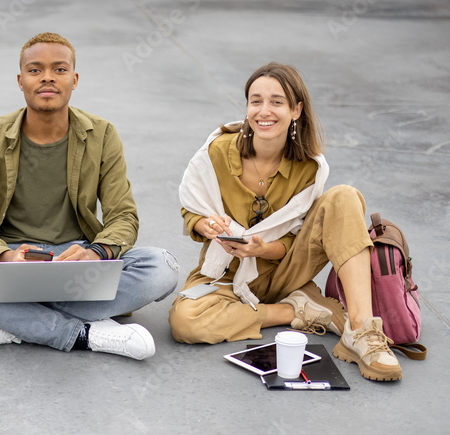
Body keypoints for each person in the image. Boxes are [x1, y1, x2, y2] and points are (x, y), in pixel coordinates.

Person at [0, 33, 178, 359]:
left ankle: (8, 322)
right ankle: (85, 333)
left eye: (59, 69)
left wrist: (97, 253)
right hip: (10, 262)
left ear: (74, 79)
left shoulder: (102, 134)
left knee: (162, 266)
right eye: (35, 70)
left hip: (77, 260)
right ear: (20, 80)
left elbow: (123, 216)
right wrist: (3, 257)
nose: (47, 77)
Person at [169, 62, 401, 381]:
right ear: (247, 106)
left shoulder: (308, 166)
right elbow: (191, 208)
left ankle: (361, 330)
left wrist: (263, 249)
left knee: (344, 196)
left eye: (277, 102)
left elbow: (298, 239)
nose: (264, 111)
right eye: (256, 100)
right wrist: (204, 226)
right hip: (226, 272)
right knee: (185, 321)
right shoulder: (217, 152)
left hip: (285, 269)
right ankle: (296, 310)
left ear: (296, 110)